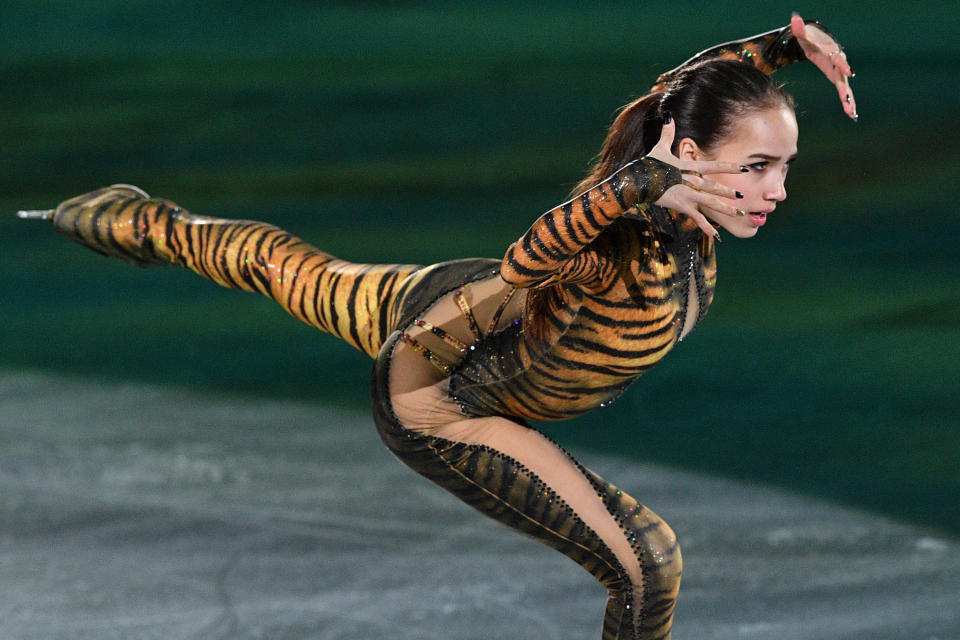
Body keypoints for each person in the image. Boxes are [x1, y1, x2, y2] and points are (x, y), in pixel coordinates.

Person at [19, 14, 855, 640]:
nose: (777, 190)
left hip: (464, 305)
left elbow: (686, 89)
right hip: (441, 385)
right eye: (756, 167)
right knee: (648, 563)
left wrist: (779, 48)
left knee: (281, 265)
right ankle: (101, 219)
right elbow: (530, 258)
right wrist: (631, 190)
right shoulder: (615, 233)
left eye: (783, 166)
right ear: (687, 154)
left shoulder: (686, 185)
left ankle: (130, 220)